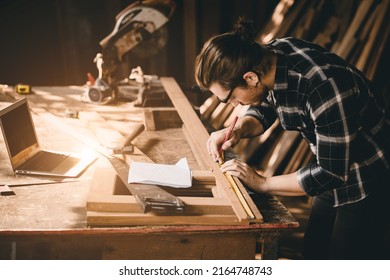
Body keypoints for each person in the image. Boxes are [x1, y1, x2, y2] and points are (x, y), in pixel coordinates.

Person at [194, 18, 390, 259]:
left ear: (250, 78)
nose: (234, 105)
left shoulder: (323, 88)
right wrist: (237, 130)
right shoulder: (270, 59)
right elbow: (266, 103)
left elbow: (331, 173)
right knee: (313, 253)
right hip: (335, 164)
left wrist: (263, 183)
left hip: (369, 174)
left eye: (230, 98)